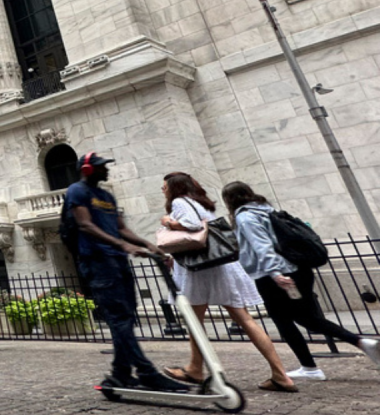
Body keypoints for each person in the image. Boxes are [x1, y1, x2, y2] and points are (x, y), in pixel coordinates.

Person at [223, 181, 380, 378]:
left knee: (285, 321)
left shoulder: (245, 217)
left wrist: (275, 273)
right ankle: (361, 344)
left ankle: (312, 367)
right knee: (308, 319)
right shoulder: (267, 210)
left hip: (274, 275)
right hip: (299, 268)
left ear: (229, 201)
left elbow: (262, 246)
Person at [157, 173, 296, 392]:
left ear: (175, 187)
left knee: (194, 320)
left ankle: (195, 368)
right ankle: (280, 375)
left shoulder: (179, 201)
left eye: (164, 186)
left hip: (201, 270)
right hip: (221, 265)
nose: (162, 190)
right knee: (244, 319)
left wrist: (168, 222)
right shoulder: (201, 202)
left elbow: (192, 227)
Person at [65, 152, 188, 392]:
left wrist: (145, 243)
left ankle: (120, 373)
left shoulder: (107, 196)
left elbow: (121, 228)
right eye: (101, 167)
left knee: (127, 317)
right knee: (120, 319)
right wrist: (123, 245)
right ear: (88, 170)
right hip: (97, 262)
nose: (106, 170)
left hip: (117, 261)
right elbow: (85, 224)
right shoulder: (77, 191)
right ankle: (146, 372)